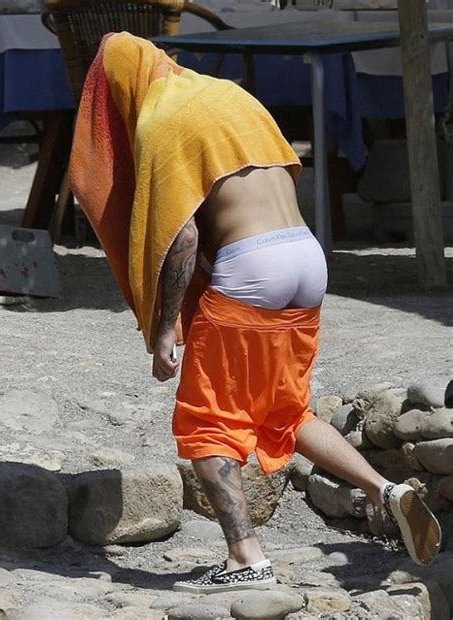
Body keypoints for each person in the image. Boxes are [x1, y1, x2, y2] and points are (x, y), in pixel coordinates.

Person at [69, 33, 442, 596]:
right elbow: (286, 167)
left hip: (252, 267)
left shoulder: (161, 116)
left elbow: (181, 234)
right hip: (305, 255)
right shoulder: (229, 96)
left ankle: (246, 557)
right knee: (285, 412)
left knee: (204, 421)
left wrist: (165, 328)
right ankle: (386, 490)